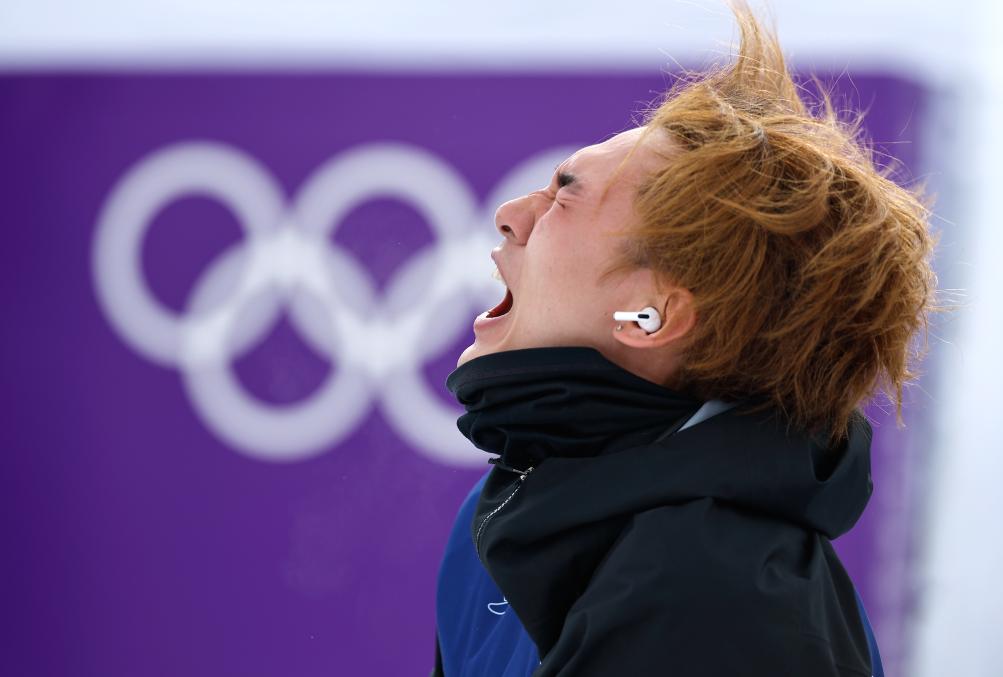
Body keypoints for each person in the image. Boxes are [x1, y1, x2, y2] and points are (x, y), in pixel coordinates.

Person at [431, 1, 937, 675]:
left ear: (652, 315)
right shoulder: (508, 508)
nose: (510, 214)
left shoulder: (716, 603)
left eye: (564, 196)